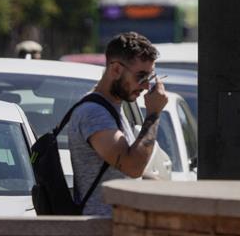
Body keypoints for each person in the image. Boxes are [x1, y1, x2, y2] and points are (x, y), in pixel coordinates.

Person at [68, 32, 167, 217]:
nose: (146, 86)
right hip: (100, 231)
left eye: (150, 78)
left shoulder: (113, 107)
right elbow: (132, 167)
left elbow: (124, 176)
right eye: (141, 76)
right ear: (115, 70)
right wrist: (153, 114)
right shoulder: (93, 113)